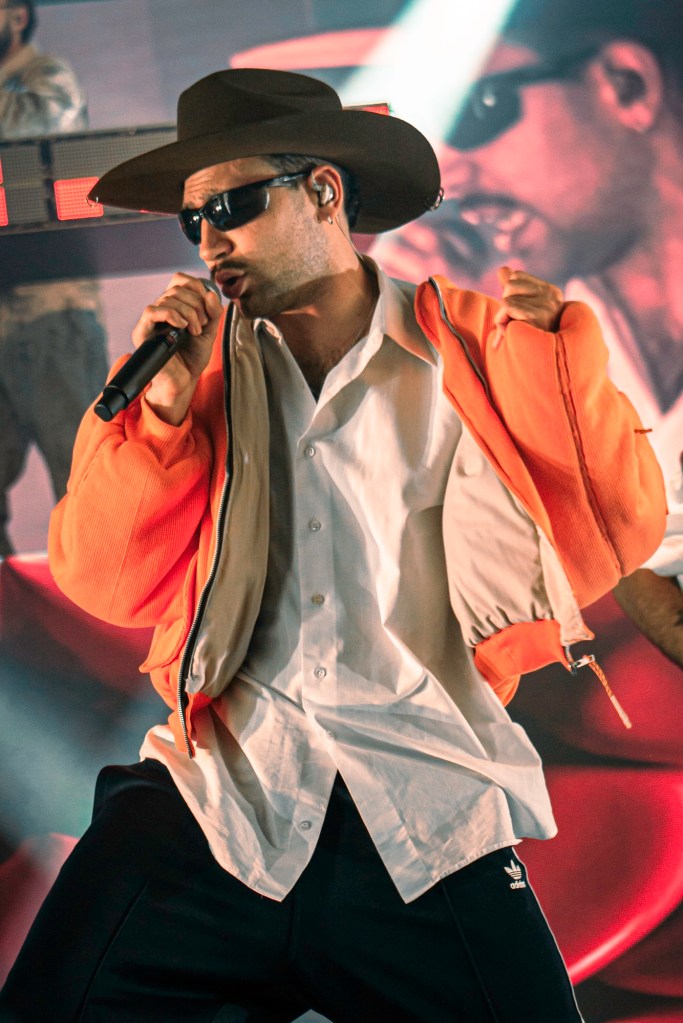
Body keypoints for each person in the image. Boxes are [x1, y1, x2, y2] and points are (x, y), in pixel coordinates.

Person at [0, 67, 665, 1023]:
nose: (209, 240)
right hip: (216, 800)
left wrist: (556, 367)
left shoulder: (476, 351)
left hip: (424, 804)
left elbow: (611, 529)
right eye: (192, 220)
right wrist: (162, 418)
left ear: (323, 191)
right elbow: (106, 580)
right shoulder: (192, 380)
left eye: (231, 205)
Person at [394, 0, 683, 665]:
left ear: (626, 84)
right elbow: (637, 558)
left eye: (479, 109)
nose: (448, 174)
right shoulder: (537, 333)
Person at [0, 0, 108, 555]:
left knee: (83, 482)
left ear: (17, 17)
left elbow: (36, 124)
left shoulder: (47, 78)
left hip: (53, 315)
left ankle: (103, 601)